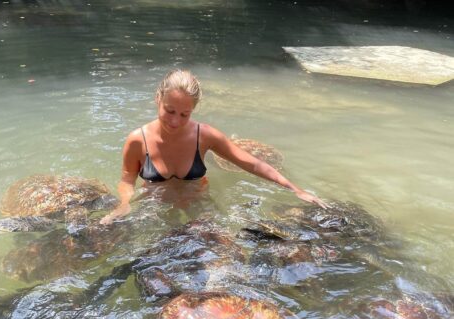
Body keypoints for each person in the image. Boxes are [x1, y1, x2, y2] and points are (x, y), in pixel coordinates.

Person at [100, 69, 327, 225]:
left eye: (184, 114)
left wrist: (294, 188)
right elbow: (128, 179)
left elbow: (252, 163)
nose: (175, 121)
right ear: (157, 99)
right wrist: (124, 203)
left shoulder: (205, 136)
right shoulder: (137, 140)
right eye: (169, 111)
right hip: (156, 208)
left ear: (193, 110)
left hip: (199, 204)